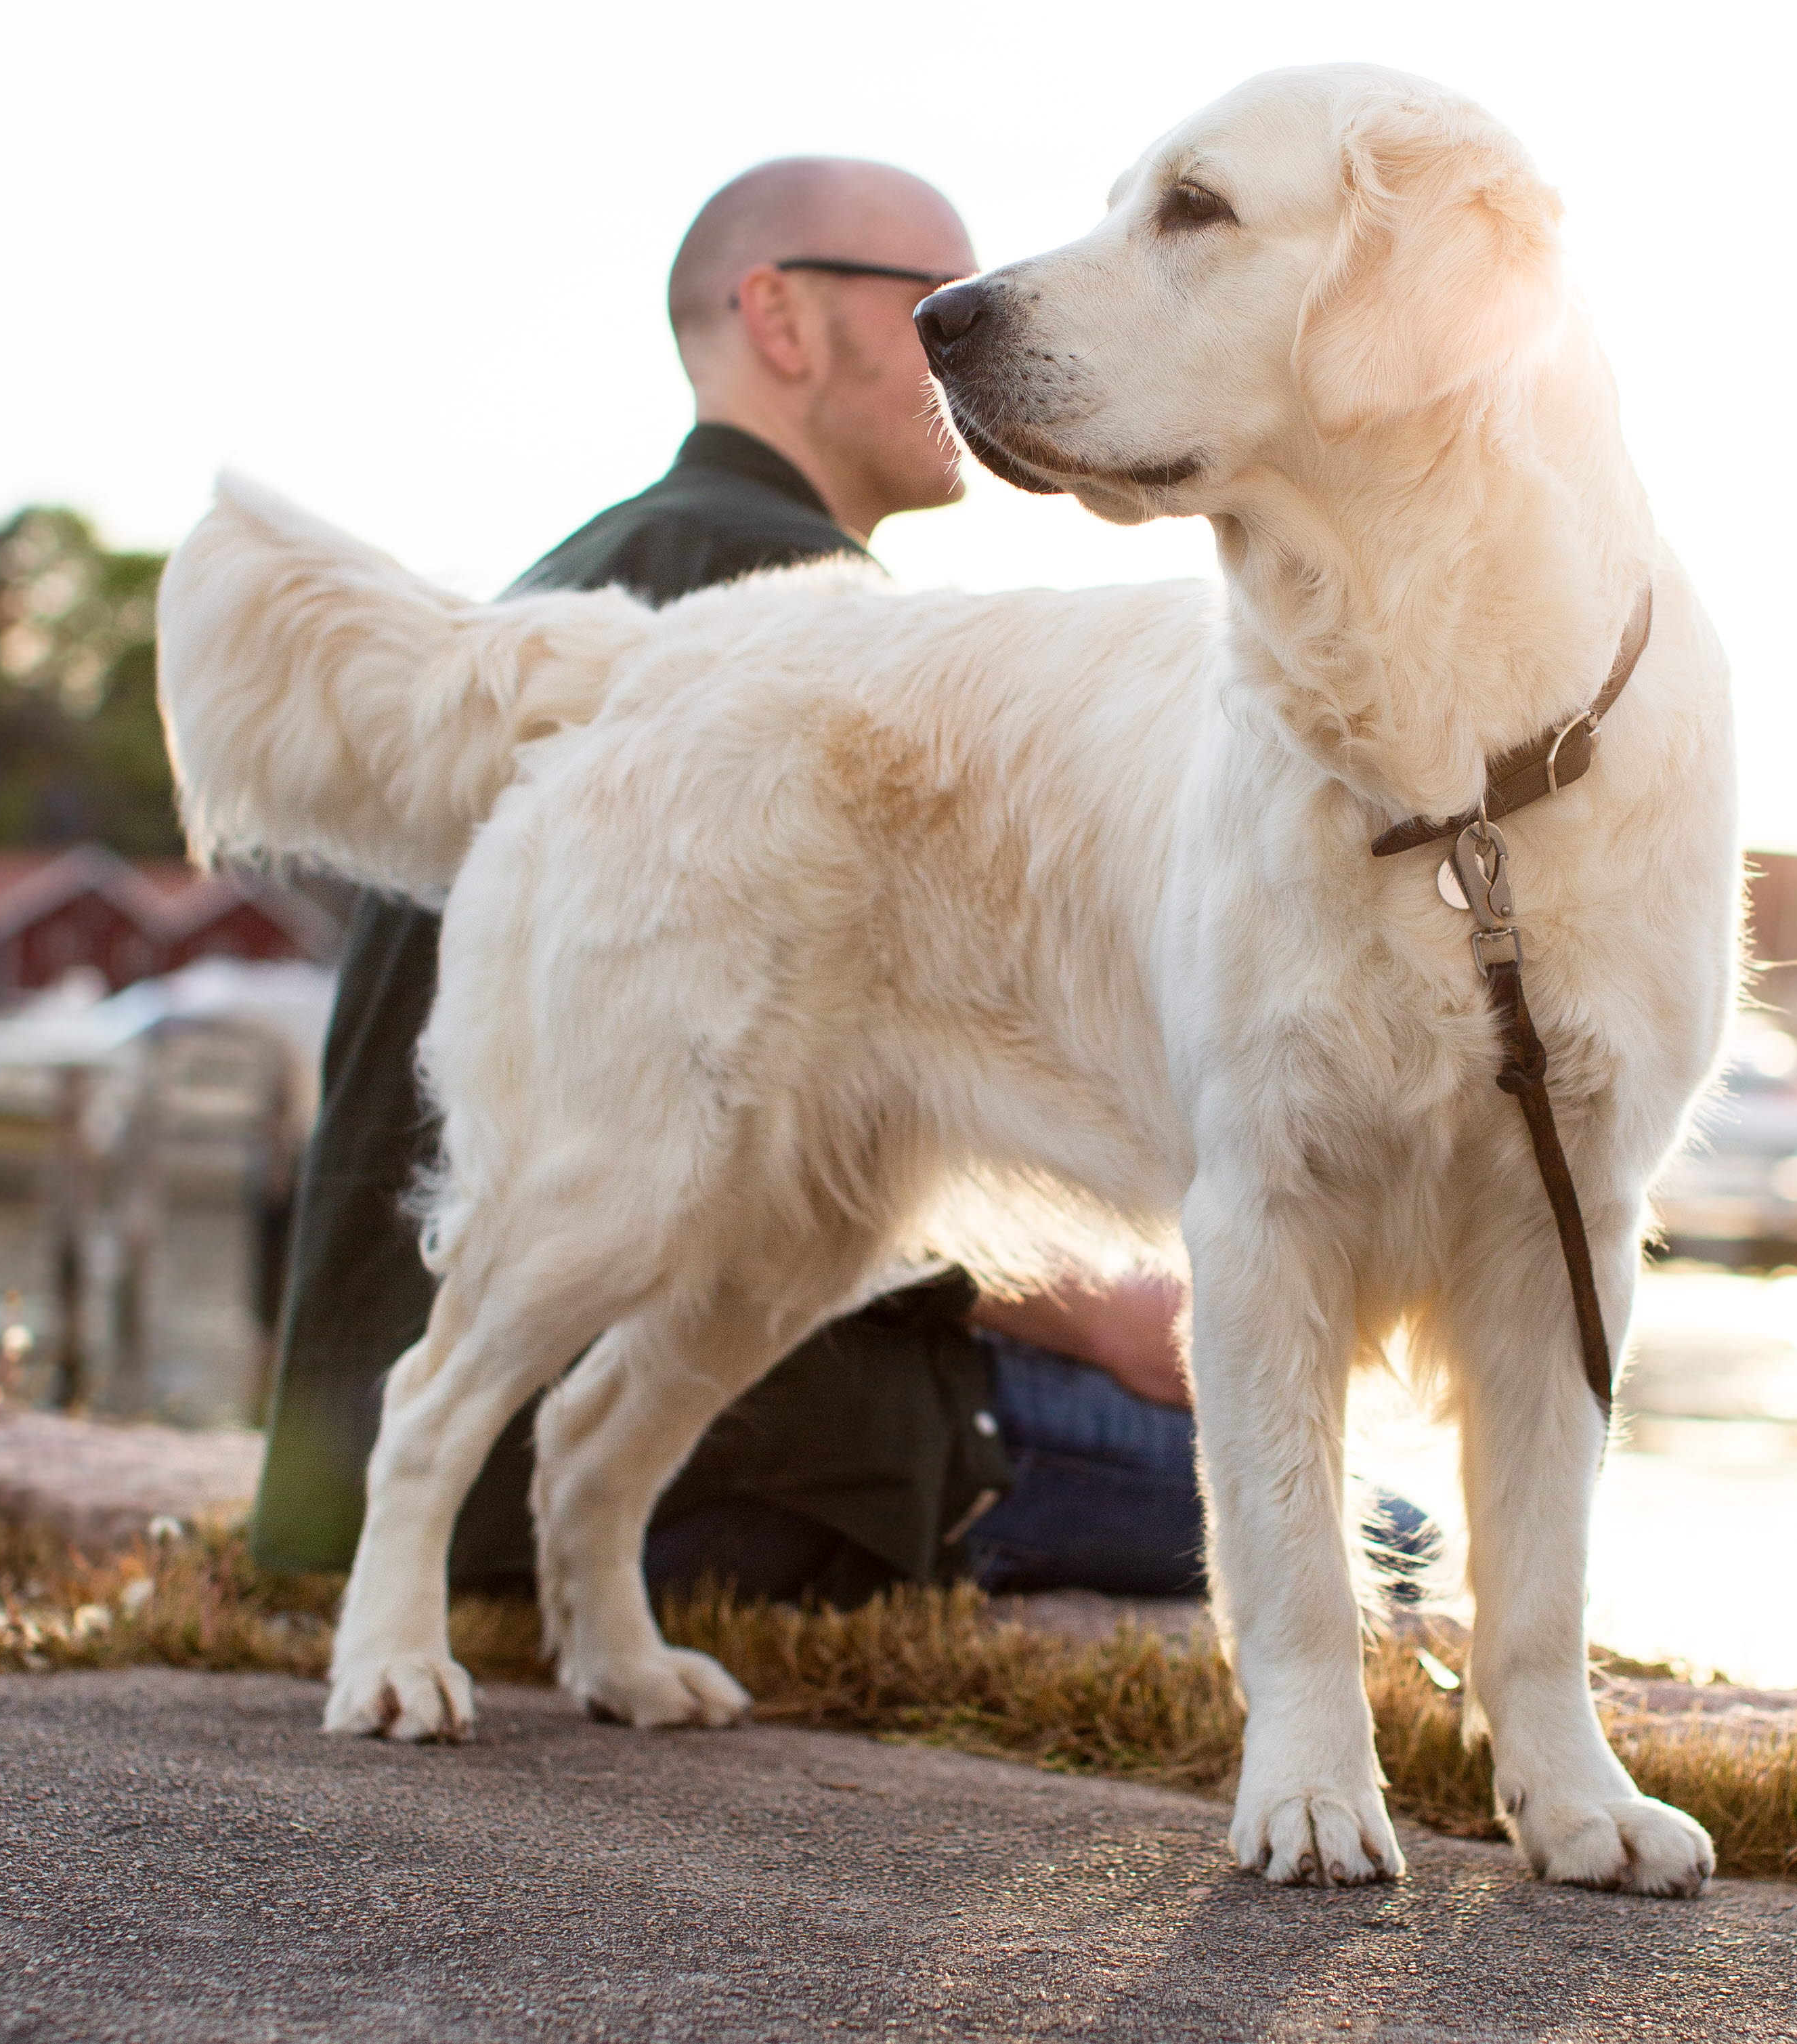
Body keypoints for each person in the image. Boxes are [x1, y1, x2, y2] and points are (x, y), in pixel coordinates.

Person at [251, 158, 1227, 1606]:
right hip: (741, 1447)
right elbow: (844, 1080)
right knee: (1364, 1515)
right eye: (932, 302)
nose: (975, 331)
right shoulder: (791, 635)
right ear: (777, 316)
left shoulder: (590, 570)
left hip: (384, 1393)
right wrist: (1112, 1310)